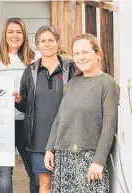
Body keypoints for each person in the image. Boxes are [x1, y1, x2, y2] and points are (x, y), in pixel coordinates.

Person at [44, 33, 119, 193]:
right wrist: (50, 148)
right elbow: (60, 118)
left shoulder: (107, 83)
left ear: (97, 54)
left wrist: (99, 161)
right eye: (77, 53)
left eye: (85, 52)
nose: (81, 57)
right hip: (63, 159)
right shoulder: (72, 82)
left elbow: (109, 125)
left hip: (89, 160)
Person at [15, 26, 76, 193]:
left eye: (51, 40)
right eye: (43, 41)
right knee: (45, 185)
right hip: (39, 139)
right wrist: (18, 100)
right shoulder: (30, 71)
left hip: (66, 137)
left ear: (58, 43)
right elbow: (25, 105)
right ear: (37, 46)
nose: (47, 44)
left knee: (66, 185)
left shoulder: (70, 68)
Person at [0, 17, 40, 193]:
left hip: (28, 121)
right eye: (10, 32)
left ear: (24, 34)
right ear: (4, 35)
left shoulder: (35, 58)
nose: (14, 35)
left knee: (35, 171)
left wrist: (23, 99)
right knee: (4, 173)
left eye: (18, 31)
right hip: (2, 123)